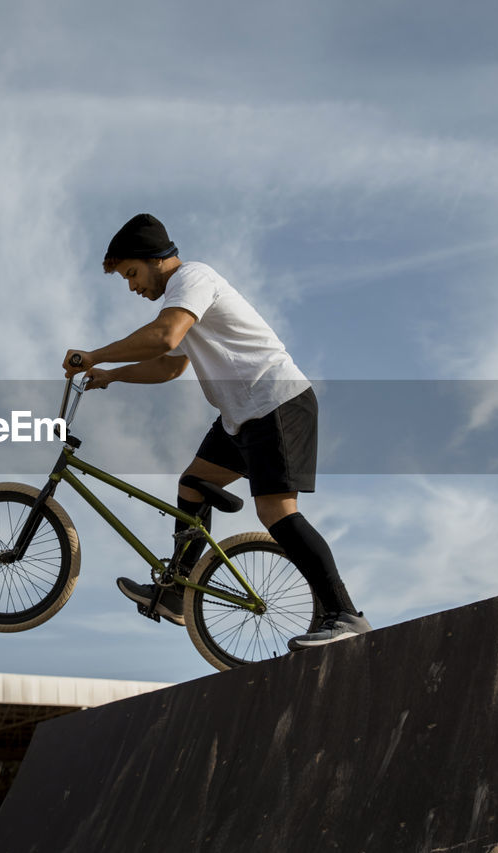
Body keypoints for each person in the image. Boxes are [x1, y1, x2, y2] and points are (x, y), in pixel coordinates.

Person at [62, 213, 369, 649]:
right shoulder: (183, 301)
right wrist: (113, 375)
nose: (132, 287)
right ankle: (176, 592)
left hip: (275, 401)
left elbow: (165, 337)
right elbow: (170, 364)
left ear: (156, 260)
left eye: (132, 273)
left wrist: (93, 355)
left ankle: (345, 615)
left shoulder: (193, 278)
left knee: (276, 512)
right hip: (241, 416)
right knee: (193, 484)